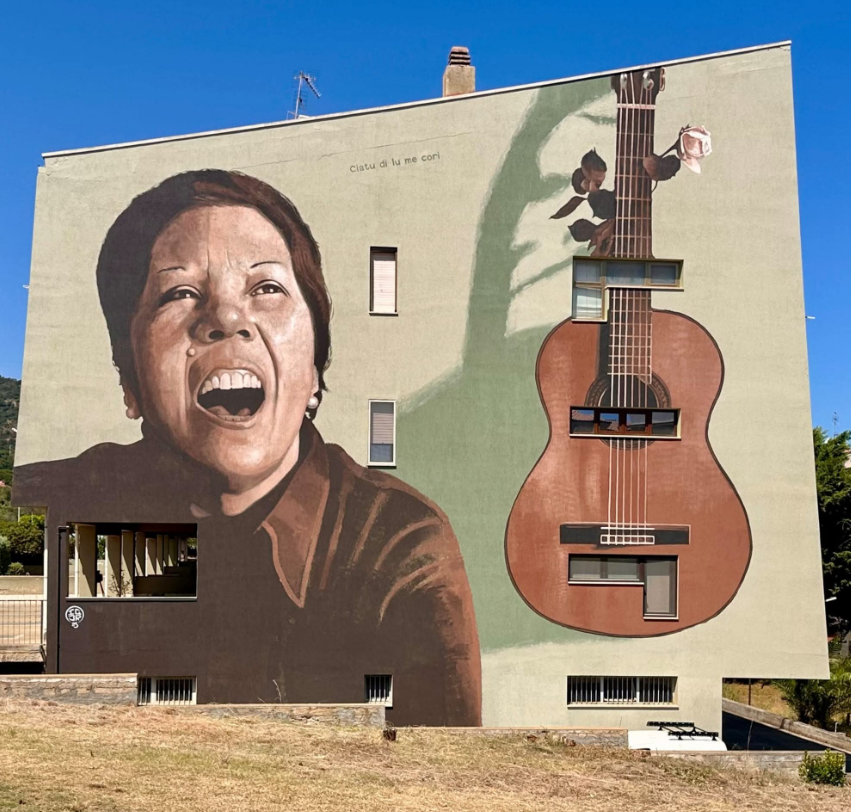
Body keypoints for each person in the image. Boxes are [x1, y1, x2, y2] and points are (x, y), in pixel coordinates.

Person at [15, 170, 481, 725]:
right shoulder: (86, 502)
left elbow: (441, 762)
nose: (227, 319)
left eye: (266, 288)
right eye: (180, 292)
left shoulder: (398, 544)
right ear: (131, 380)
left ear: (313, 369)